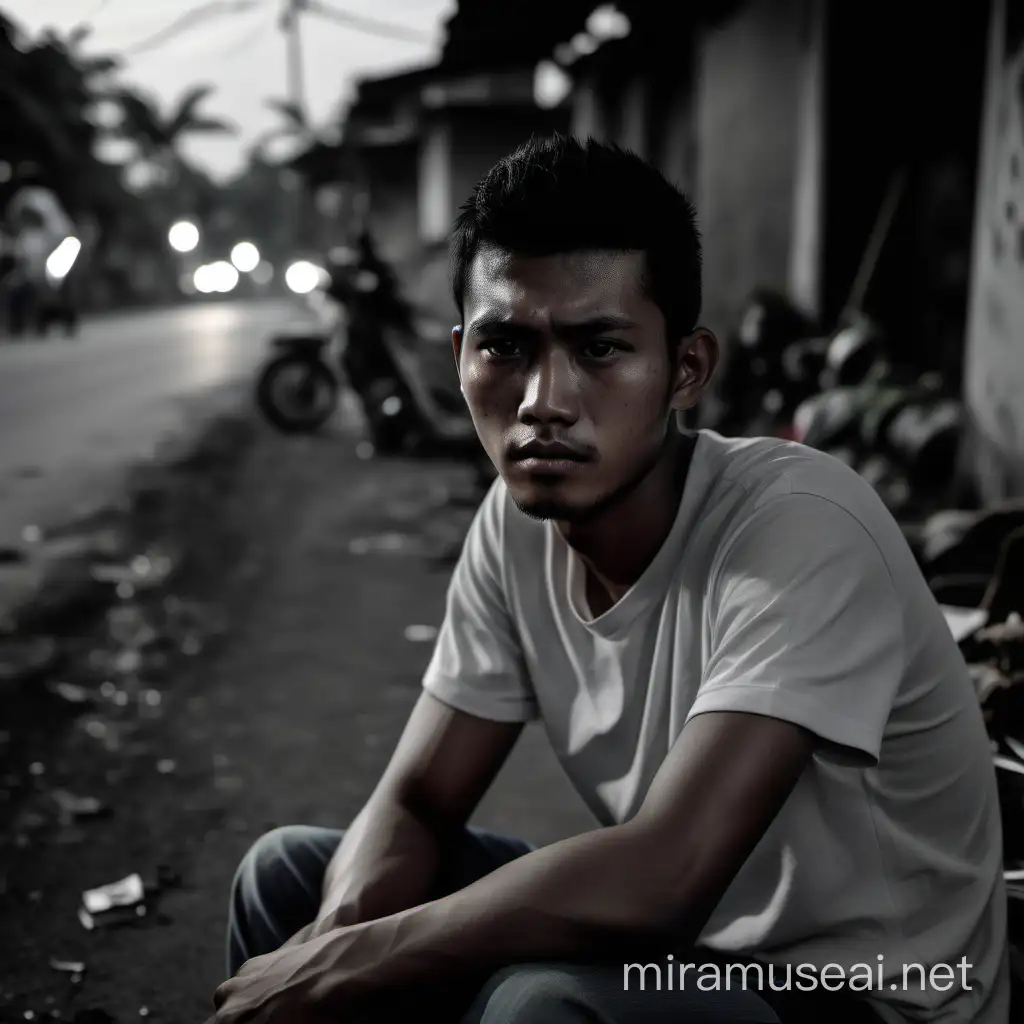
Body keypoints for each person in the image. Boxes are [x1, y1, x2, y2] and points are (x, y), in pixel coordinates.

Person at [213, 134, 1009, 1024]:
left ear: (687, 369)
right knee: (289, 879)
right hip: (684, 956)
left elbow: (666, 871)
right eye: (506, 346)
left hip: (869, 994)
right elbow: (421, 799)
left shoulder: (801, 522)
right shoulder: (514, 527)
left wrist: (353, 966)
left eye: (598, 348)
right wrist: (333, 940)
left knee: (542, 1006)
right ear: (459, 356)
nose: (542, 400)